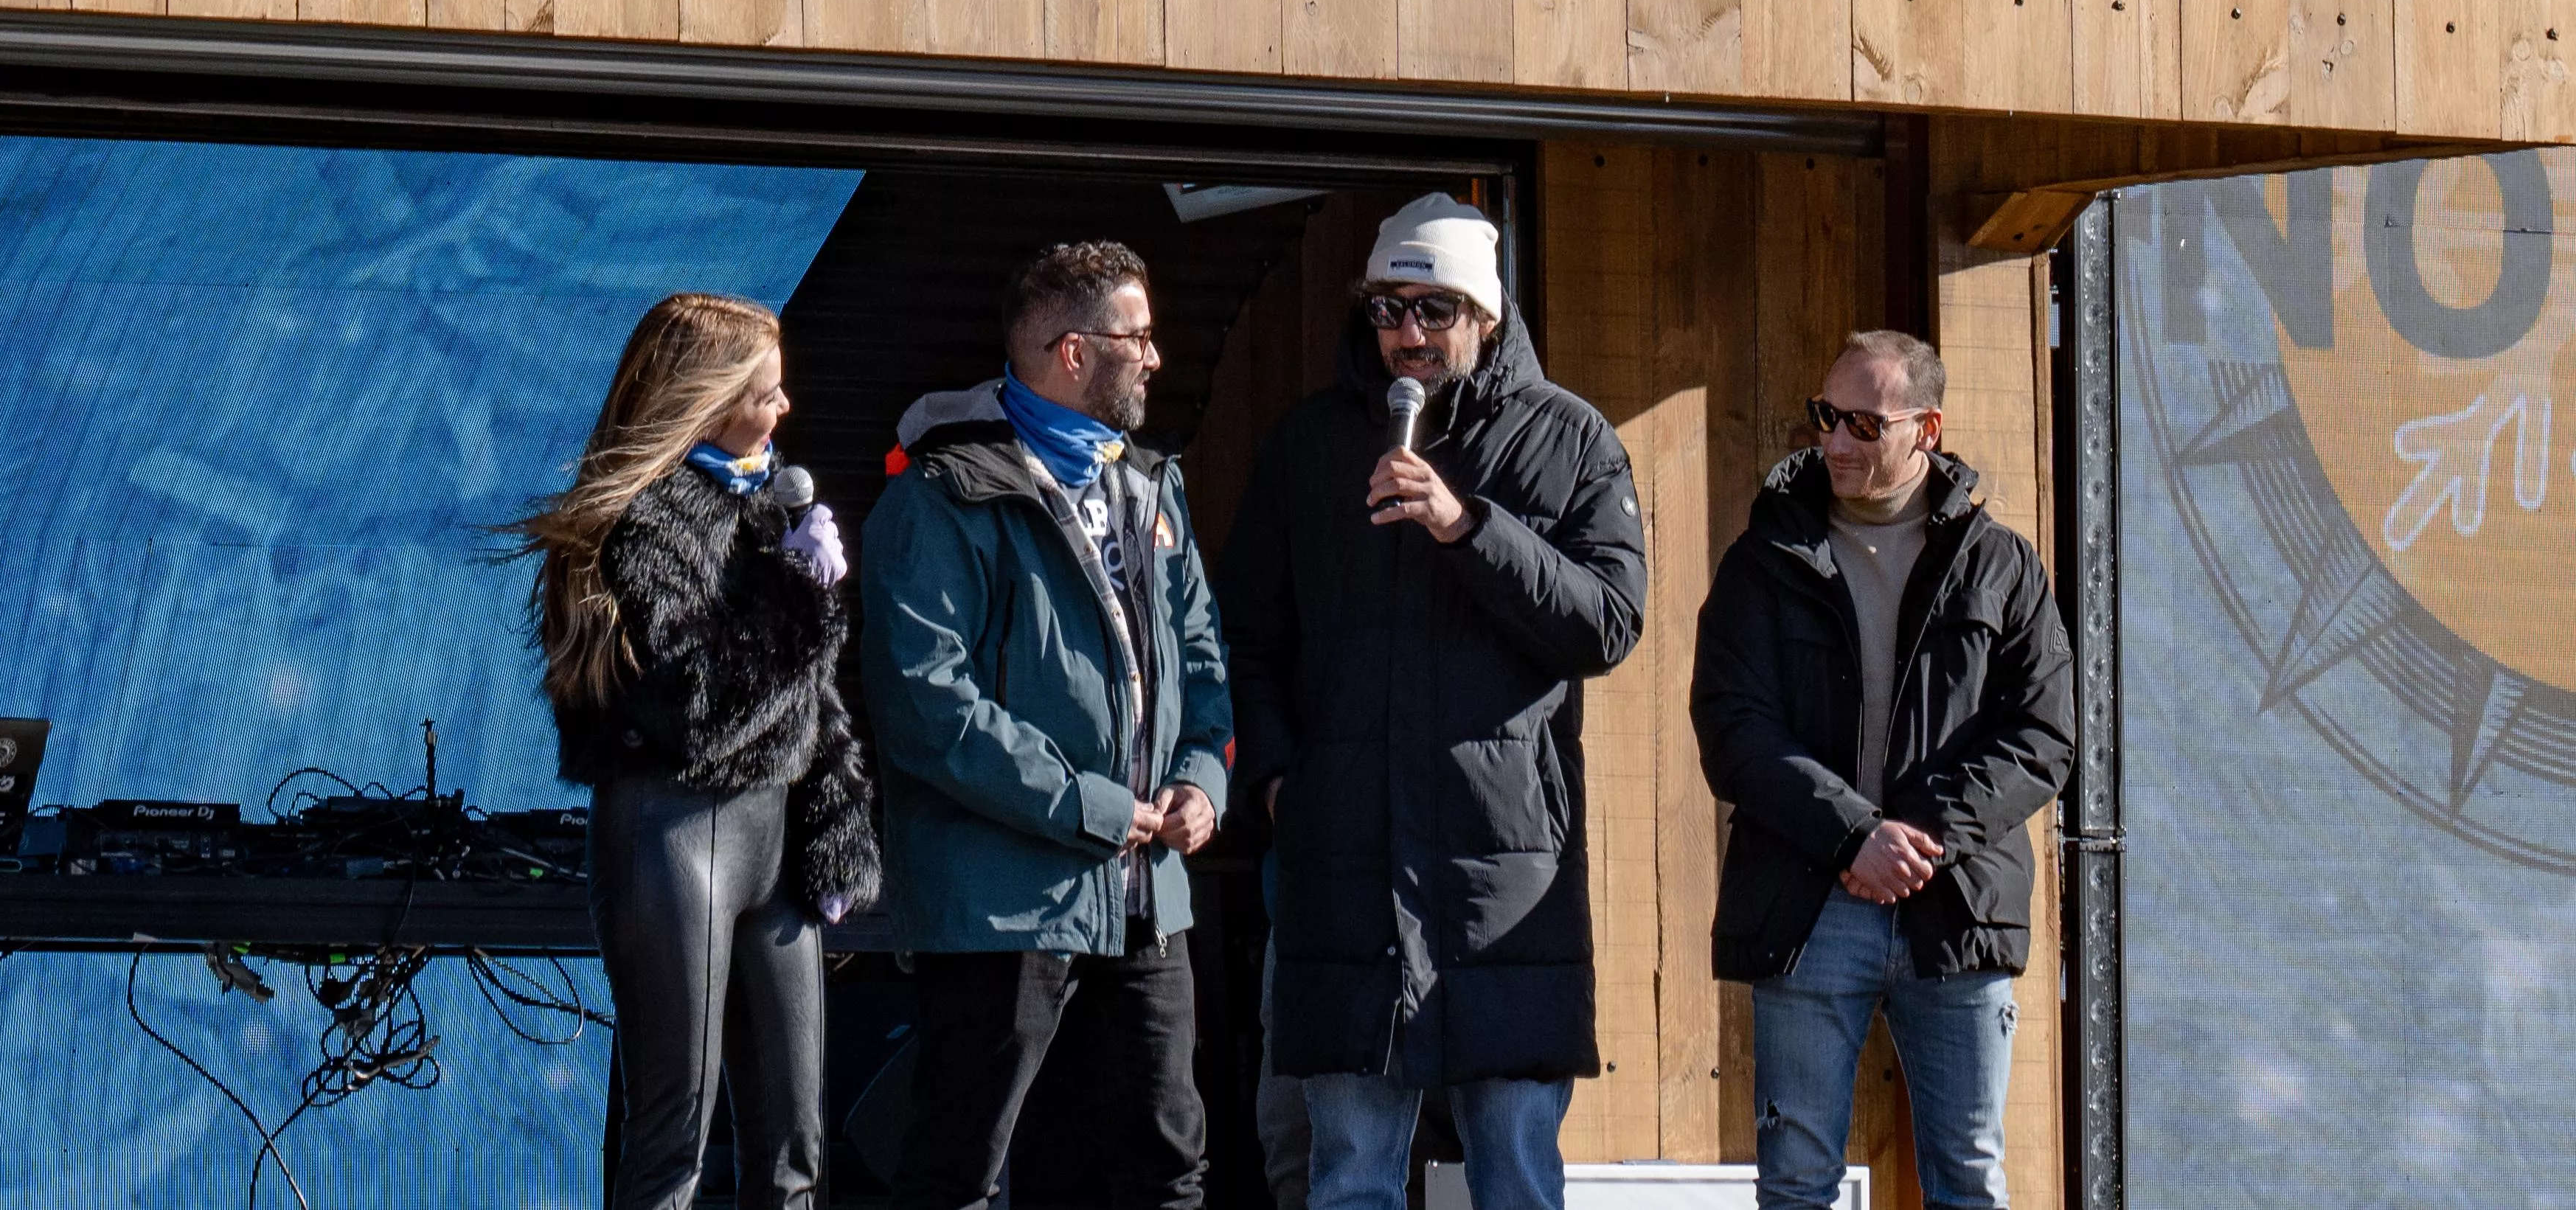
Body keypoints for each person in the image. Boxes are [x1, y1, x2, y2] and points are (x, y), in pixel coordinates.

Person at [1220, 192, 1648, 1210]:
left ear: (1487, 318)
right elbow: (1243, 636)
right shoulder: (1311, 446)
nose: (1406, 333)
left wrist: (1470, 528)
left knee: (1513, 1176)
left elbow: (1608, 622)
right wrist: (1284, 778)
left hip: (1503, 872)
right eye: (1386, 308)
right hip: (1346, 863)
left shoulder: (1572, 440)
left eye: (1434, 310)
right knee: (1351, 1177)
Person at [859, 241, 1233, 1210]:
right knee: (961, 1173)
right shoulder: (939, 497)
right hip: (1003, 902)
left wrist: (1204, 779)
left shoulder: (1153, 486)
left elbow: (1202, 666)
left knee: (1170, 1170)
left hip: (1146, 895)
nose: (1155, 357)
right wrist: (1090, 804)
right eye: (1138, 337)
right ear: (1072, 352)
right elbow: (928, 708)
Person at [1690, 329, 2075, 1210]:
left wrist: (1923, 834)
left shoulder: (1998, 563)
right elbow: (1731, 727)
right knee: (1795, 1185)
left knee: (1968, 1179)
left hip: (1956, 906)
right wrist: (1851, 836)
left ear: (1925, 428)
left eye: (1862, 423)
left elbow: (2045, 733)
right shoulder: (1762, 561)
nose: (1833, 441)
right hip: (1806, 902)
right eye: (1826, 415)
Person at [515, 292, 880, 1210]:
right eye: (766, 390)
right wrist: (800, 593)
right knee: (673, 1136)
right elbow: (696, 705)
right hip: (674, 828)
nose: (784, 407)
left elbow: (809, 700)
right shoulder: (645, 520)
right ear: (702, 398)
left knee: (796, 1146)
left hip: (775, 833)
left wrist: (839, 820)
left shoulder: (763, 497)